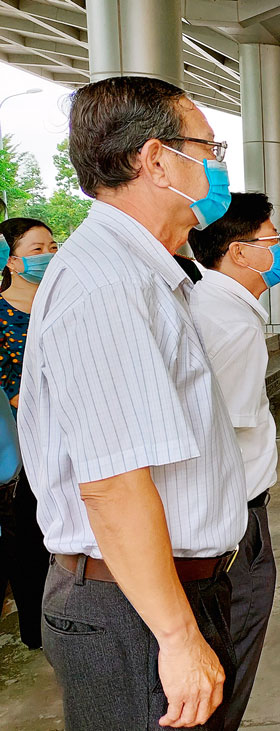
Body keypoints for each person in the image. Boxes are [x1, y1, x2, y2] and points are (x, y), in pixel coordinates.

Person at [18, 76, 247, 730]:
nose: (217, 166)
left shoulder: (140, 272)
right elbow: (114, 486)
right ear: (154, 159)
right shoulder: (108, 284)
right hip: (134, 611)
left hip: (154, 594)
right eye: (208, 147)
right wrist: (177, 637)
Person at [188, 193, 280, 729]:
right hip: (233, 516)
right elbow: (227, 425)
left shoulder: (213, 306)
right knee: (236, 638)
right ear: (239, 252)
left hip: (226, 509)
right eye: (270, 241)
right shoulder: (233, 325)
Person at [0, 218, 56, 649]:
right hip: (27, 440)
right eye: (38, 249)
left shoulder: (61, 301)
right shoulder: (1, 313)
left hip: (76, 428)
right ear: (13, 261)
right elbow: (11, 389)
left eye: (52, 245)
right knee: (31, 535)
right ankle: (38, 627)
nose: (49, 255)